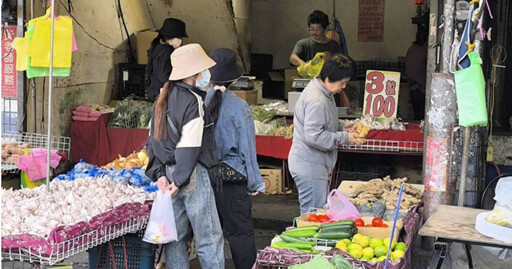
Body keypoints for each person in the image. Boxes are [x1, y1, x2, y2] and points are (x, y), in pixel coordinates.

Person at [145, 43, 224, 269]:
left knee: (175, 237)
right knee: (208, 237)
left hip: (168, 175)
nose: (204, 75)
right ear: (194, 73)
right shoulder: (193, 101)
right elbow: (189, 146)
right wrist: (180, 180)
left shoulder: (163, 97)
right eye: (201, 70)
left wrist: (160, 174)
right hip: (189, 176)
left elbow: (153, 140)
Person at [204, 48, 265, 269]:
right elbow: (247, 149)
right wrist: (255, 182)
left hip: (206, 176)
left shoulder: (200, 101)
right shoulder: (239, 107)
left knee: (211, 236)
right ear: (235, 78)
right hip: (233, 179)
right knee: (240, 234)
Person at [288, 54, 364, 214]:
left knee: (316, 212)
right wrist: (345, 137)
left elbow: (324, 122)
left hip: (315, 165)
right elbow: (314, 136)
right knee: (312, 215)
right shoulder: (317, 99)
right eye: (342, 83)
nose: (343, 87)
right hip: (309, 166)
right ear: (329, 77)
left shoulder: (324, 93)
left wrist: (343, 126)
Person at [146, 18, 188, 102]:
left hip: (156, 92)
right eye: (180, 37)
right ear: (172, 38)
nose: (181, 40)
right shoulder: (166, 51)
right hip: (160, 95)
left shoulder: (159, 48)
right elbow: (164, 76)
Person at [405, 27, 428, 120]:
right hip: (422, 87)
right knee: (423, 118)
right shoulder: (425, 50)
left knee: (417, 117)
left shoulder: (411, 49)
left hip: (413, 87)